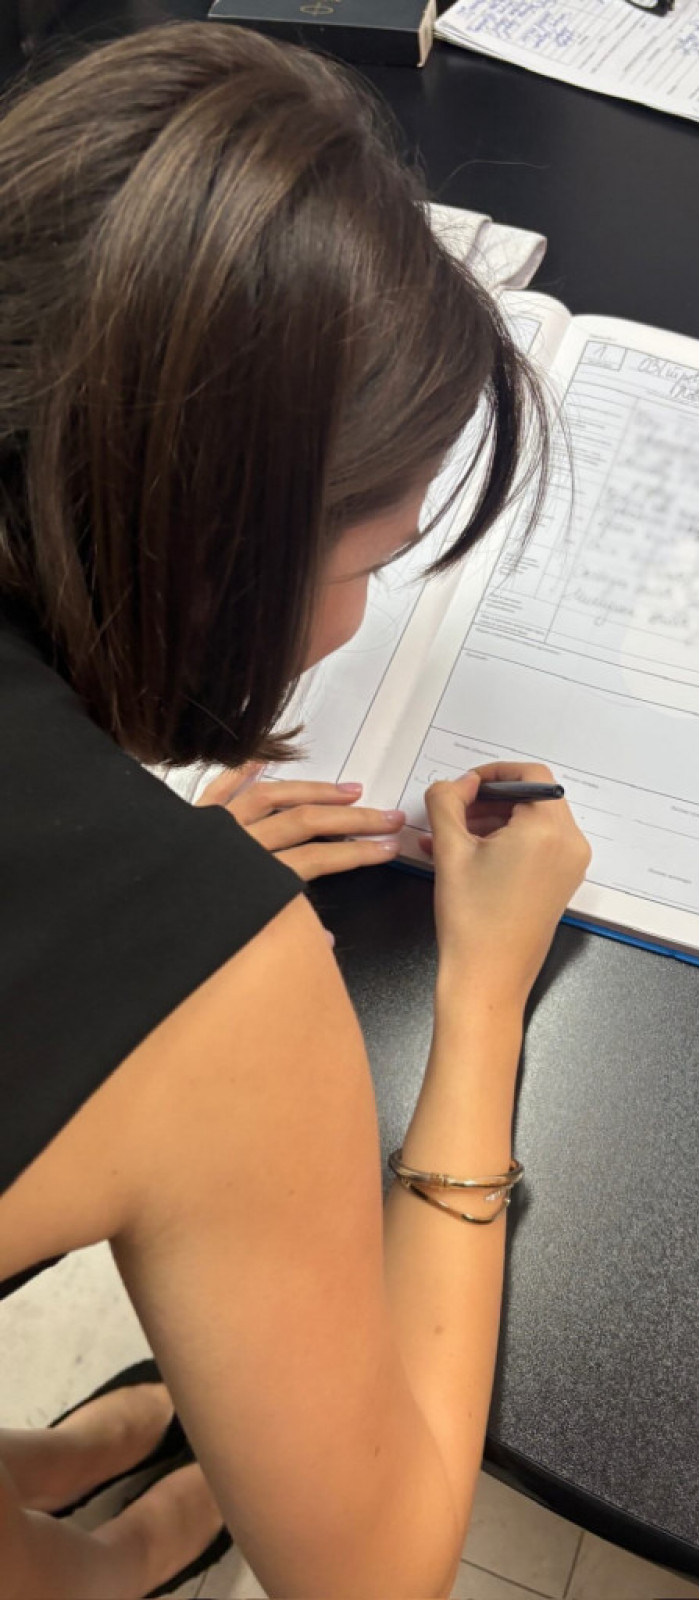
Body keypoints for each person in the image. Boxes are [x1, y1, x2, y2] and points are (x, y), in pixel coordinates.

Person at [0, 22, 590, 1599]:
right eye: (370, 563)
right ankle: (118, 1558)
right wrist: (481, 992)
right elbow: (372, 1569)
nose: (360, 621)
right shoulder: (218, 984)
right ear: (218, 549)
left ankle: (53, 1479)